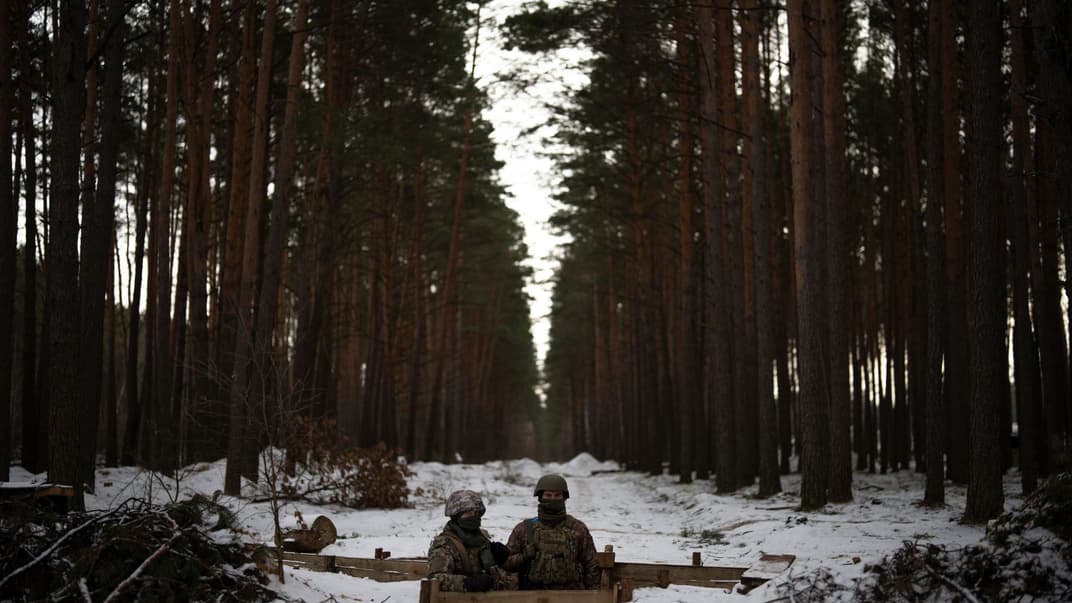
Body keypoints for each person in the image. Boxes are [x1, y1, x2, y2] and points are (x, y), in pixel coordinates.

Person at [504, 474, 600, 590]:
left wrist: (593, 596)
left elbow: (591, 565)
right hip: (531, 595)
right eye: (548, 495)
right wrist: (524, 557)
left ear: (564, 498)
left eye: (557, 495)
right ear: (540, 497)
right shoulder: (524, 529)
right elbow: (507, 564)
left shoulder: (577, 529)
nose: (552, 499)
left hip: (571, 596)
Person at [426, 489, 513, 592]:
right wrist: (467, 583)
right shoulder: (445, 545)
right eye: (468, 512)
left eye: (476, 512)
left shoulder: (481, 539)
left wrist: (501, 559)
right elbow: (435, 579)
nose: (474, 516)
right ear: (456, 516)